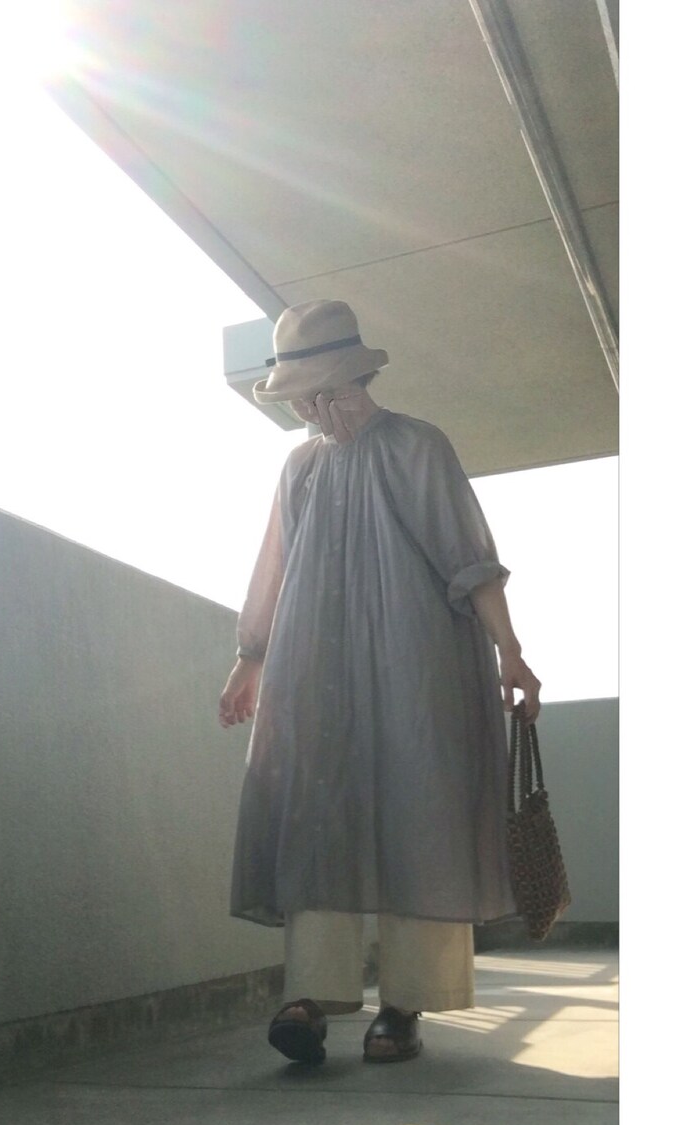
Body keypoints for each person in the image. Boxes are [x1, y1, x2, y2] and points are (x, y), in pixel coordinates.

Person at [218, 299, 540, 1065]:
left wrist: (510, 651)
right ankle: (312, 993)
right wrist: (251, 656)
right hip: (316, 664)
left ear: (346, 380)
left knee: (420, 813)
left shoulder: (417, 445)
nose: (303, 407)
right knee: (315, 812)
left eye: (312, 390)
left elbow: (471, 558)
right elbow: (275, 564)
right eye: (296, 395)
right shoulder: (300, 467)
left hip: (418, 661)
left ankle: (405, 1002)